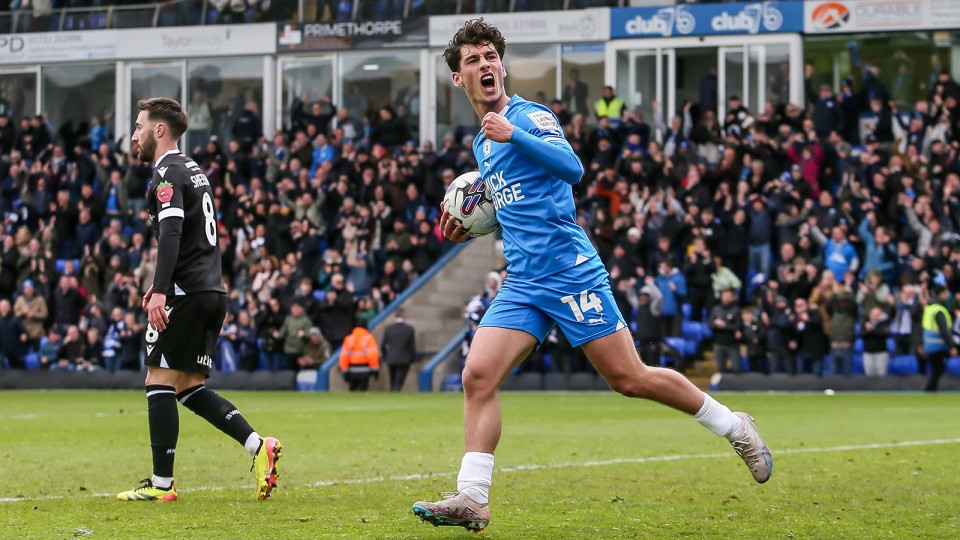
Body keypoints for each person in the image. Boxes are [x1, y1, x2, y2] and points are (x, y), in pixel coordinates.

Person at [412, 19, 772, 533]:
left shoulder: (528, 116)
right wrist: (467, 230)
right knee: (477, 375)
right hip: (523, 280)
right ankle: (473, 496)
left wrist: (515, 133)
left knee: (629, 379)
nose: (485, 64)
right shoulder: (482, 146)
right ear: (458, 78)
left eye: (490, 55)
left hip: (569, 271)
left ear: (502, 65)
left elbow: (572, 167)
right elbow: (509, 207)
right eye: (473, 59)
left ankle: (733, 425)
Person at [117, 98, 281, 503]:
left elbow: (171, 232)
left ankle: (161, 485)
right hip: (210, 290)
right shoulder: (193, 169)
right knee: (188, 386)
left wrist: (160, 288)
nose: (134, 134)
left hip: (187, 292)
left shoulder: (168, 171)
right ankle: (259, 446)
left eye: (139, 126)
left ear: (160, 130)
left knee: (158, 380)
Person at [921, 282, 955, 392]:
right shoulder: (939, 310)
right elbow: (944, 331)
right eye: (945, 292)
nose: (947, 294)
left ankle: (930, 391)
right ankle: (929, 391)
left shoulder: (929, 308)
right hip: (938, 346)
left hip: (929, 345)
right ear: (941, 294)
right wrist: (951, 346)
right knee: (937, 370)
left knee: (936, 370)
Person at [381, 307, 417, 392]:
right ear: (403, 315)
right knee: (398, 383)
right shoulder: (409, 329)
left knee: (392, 381)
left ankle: (392, 395)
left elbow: (383, 345)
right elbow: (412, 346)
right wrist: (412, 358)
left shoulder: (389, 328)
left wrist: (386, 356)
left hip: (391, 358)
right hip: (404, 359)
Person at [339, 320, 380, 391]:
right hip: (365, 370)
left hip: (352, 369)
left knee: (352, 390)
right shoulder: (369, 338)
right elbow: (372, 355)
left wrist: (344, 371)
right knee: (363, 391)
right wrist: (375, 370)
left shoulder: (349, 338)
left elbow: (343, 356)